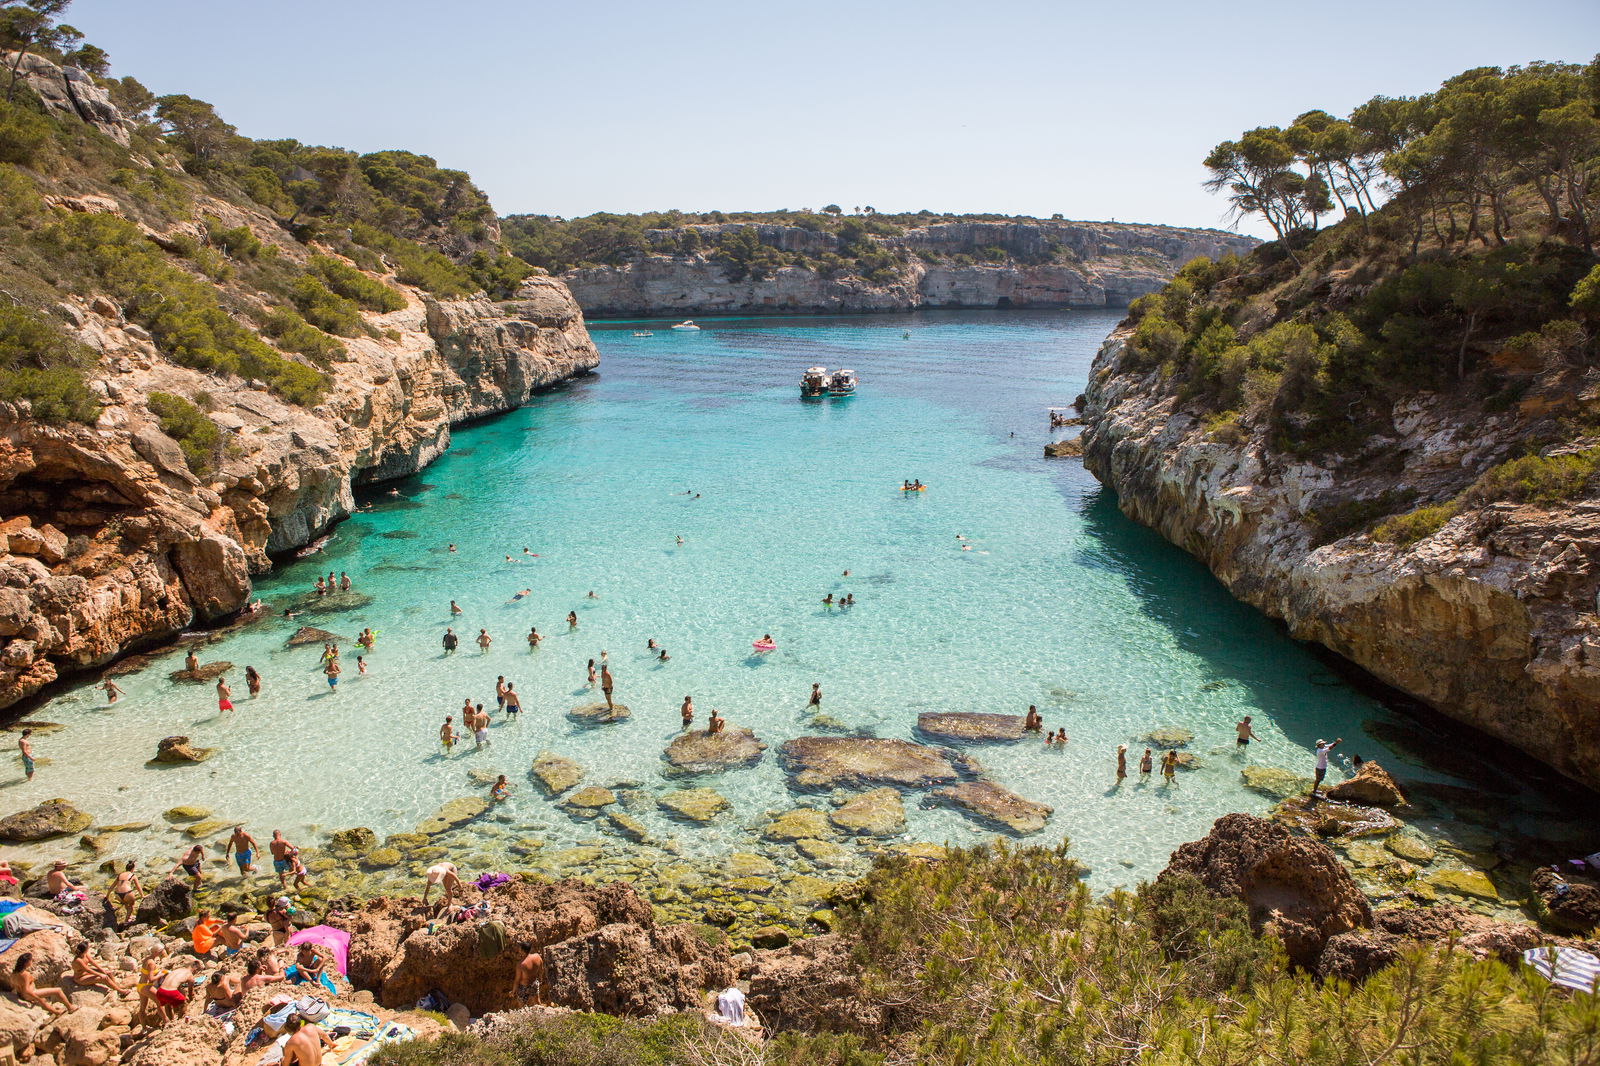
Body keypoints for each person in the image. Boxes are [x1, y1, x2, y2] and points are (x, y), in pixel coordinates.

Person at [110, 860, 142, 925]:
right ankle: (126, 921)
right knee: (131, 905)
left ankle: (128, 917)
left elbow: (112, 886)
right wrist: (142, 896)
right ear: (133, 869)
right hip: (127, 893)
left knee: (125, 903)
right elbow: (138, 887)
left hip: (118, 895)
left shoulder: (120, 875)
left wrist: (107, 896)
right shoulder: (132, 875)